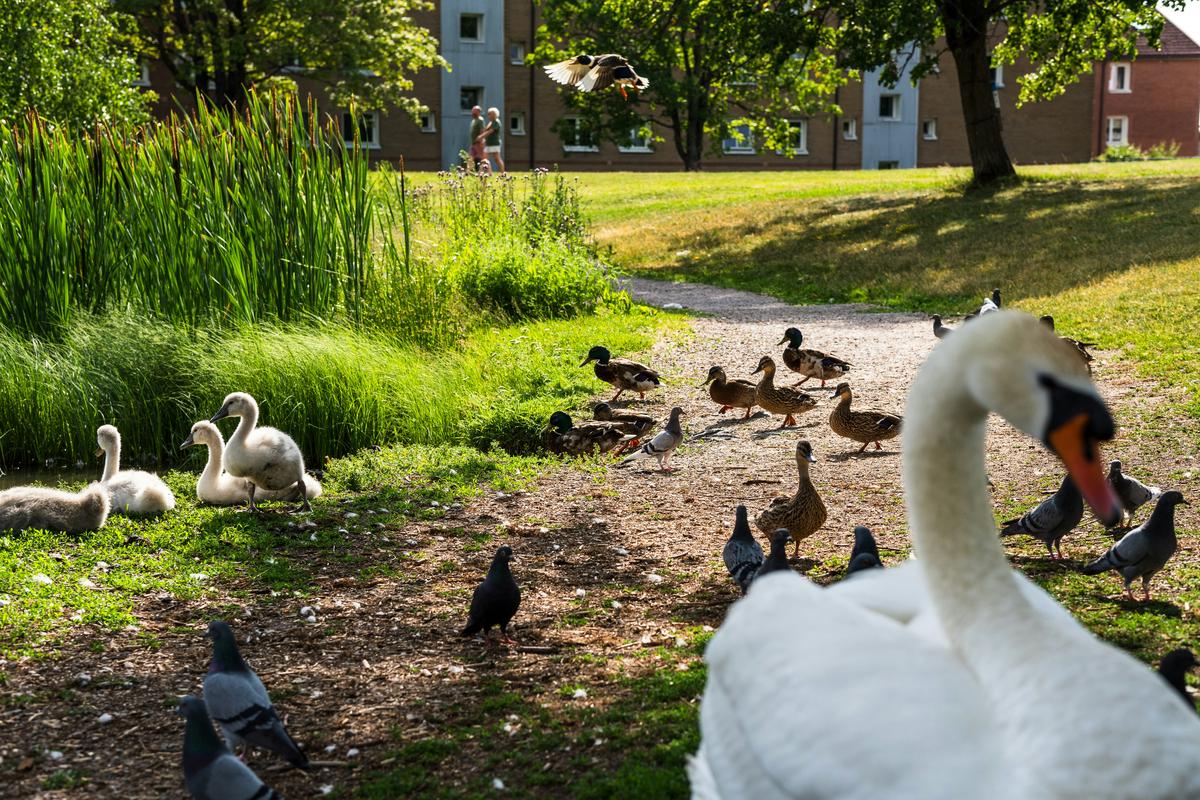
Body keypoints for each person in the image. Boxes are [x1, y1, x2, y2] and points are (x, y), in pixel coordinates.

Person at [482, 106, 505, 174]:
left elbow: (490, 131)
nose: (489, 115)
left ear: (495, 114)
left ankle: (502, 173)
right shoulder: (491, 122)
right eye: (488, 114)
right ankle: (489, 172)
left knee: (497, 159)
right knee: (485, 159)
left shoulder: (496, 122)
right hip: (489, 143)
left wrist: (481, 137)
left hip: (494, 143)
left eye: (490, 114)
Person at [467, 105, 486, 171]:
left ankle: (483, 172)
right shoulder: (473, 120)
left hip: (478, 143)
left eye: (474, 111)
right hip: (473, 143)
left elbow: (482, 131)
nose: (472, 112)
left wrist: (480, 141)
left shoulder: (480, 120)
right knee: (470, 158)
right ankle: (469, 172)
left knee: (482, 158)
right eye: (472, 111)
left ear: (478, 112)